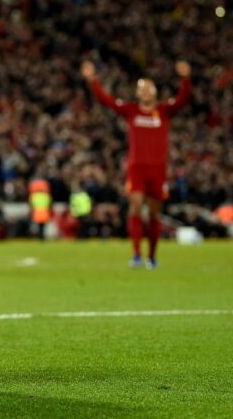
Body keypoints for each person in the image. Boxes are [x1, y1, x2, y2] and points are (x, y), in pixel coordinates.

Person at [81, 60, 191, 269]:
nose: (146, 91)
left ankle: (152, 256)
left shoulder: (164, 111)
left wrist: (185, 78)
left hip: (158, 168)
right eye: (142, 88)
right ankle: (136, 254)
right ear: (138, 93)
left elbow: (183, 99)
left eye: (149, 87)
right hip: (137, 167)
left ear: (156, 92)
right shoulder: (132, 111)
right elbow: (107, 101)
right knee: (136, 205)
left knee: (153, 213)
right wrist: (93, 80)